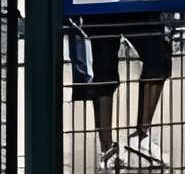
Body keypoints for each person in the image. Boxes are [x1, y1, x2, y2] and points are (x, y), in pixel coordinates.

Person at [67, 13, 172, 174]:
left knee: (159, 57)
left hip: (132, 2)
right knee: (104, 71)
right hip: (102, 5)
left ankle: (140, 137)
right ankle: (107, 148)